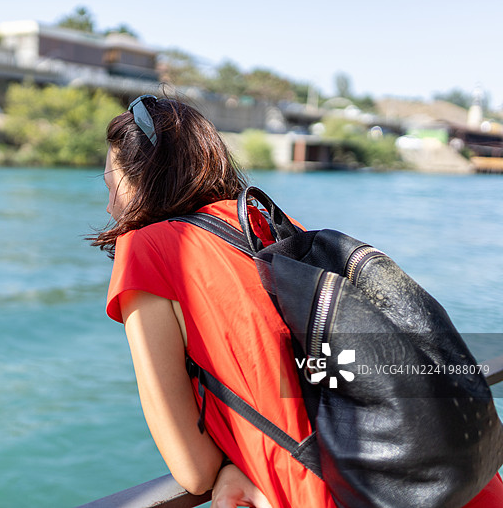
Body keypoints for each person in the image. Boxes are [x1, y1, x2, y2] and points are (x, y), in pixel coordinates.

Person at [92, 95, 503, 507]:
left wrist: (231, 465)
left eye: (112, 186)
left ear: (141, 179)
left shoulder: (147, 249)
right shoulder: (271, 227)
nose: (110, 206)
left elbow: (193, 471)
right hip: (455, 481)